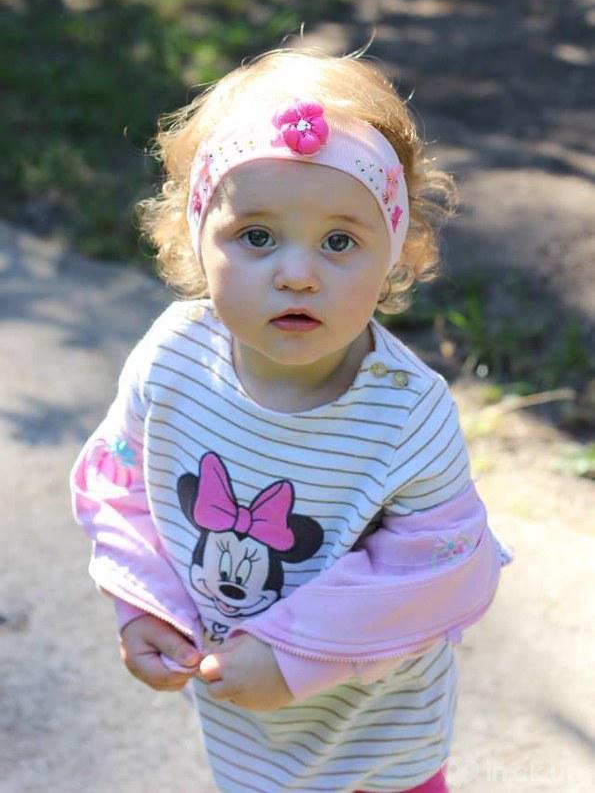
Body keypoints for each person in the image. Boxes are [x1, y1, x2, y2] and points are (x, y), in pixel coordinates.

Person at [71, 47, 511, 793]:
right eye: (257, 236)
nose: (297, 274)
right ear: (196, 238)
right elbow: (121, 484)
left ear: (394, 254)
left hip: (376, 728)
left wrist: (292, 655)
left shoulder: (405, 413)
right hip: (246, 727)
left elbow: (442, 569)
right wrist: (144, 603)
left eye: (339, 242)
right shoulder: (173, 359)